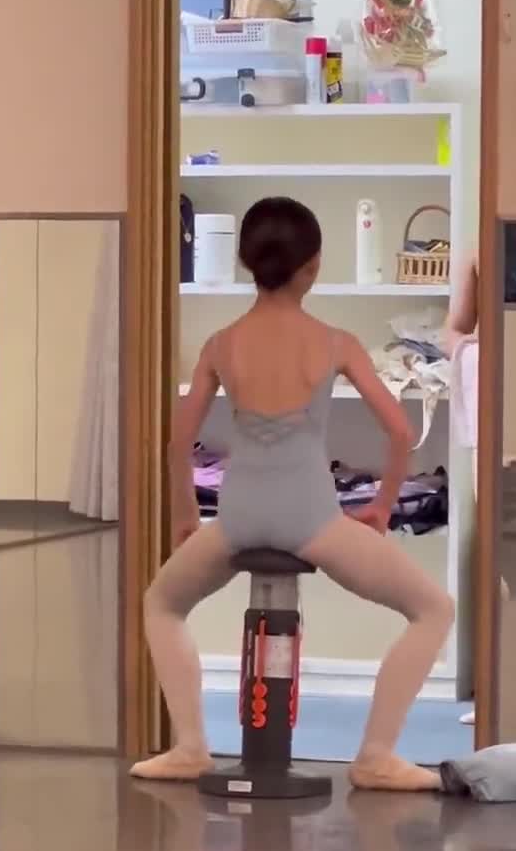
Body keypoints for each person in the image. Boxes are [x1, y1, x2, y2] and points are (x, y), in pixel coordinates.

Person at [131, 198, 454, 791]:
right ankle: (376, 755)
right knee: (434, 609)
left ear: (245, 262)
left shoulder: (221, 344)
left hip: (237, 519)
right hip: (313, 521)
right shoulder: (335, 342)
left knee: (161, 604)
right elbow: (399, 431)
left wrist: (186, 517)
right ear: (313, 266)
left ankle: (191, 747)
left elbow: (178, 442)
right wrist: (382, 506)